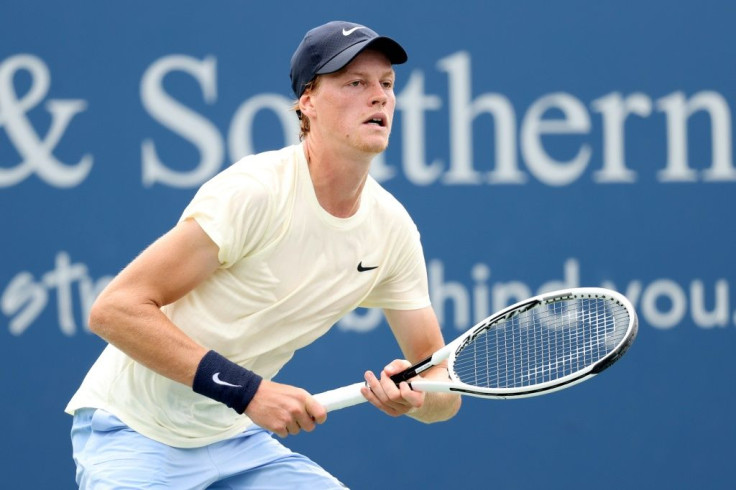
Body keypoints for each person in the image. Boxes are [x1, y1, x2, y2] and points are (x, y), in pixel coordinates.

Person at [66, 20, 461, 489]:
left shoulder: (391, 230)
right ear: (307, 102)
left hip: (235, 441)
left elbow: (441, 383)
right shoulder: (255, 193)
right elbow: (115, 310)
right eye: (355, 83)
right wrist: (249, 392)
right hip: (131, 432)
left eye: (387, 84)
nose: (379, 97)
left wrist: (418, 397)